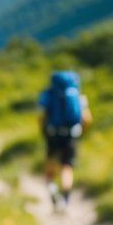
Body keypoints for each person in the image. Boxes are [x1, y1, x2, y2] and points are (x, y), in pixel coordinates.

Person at [38, 70, 92, 212]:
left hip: (52, 134)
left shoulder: (48, 94)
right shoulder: (78, 95)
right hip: (71, 135)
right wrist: (81, 132)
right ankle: (66, 200)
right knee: (67, 167)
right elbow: (87, 119)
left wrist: (43, 131)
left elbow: (41, 116)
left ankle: (53, 191)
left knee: (50, 164)